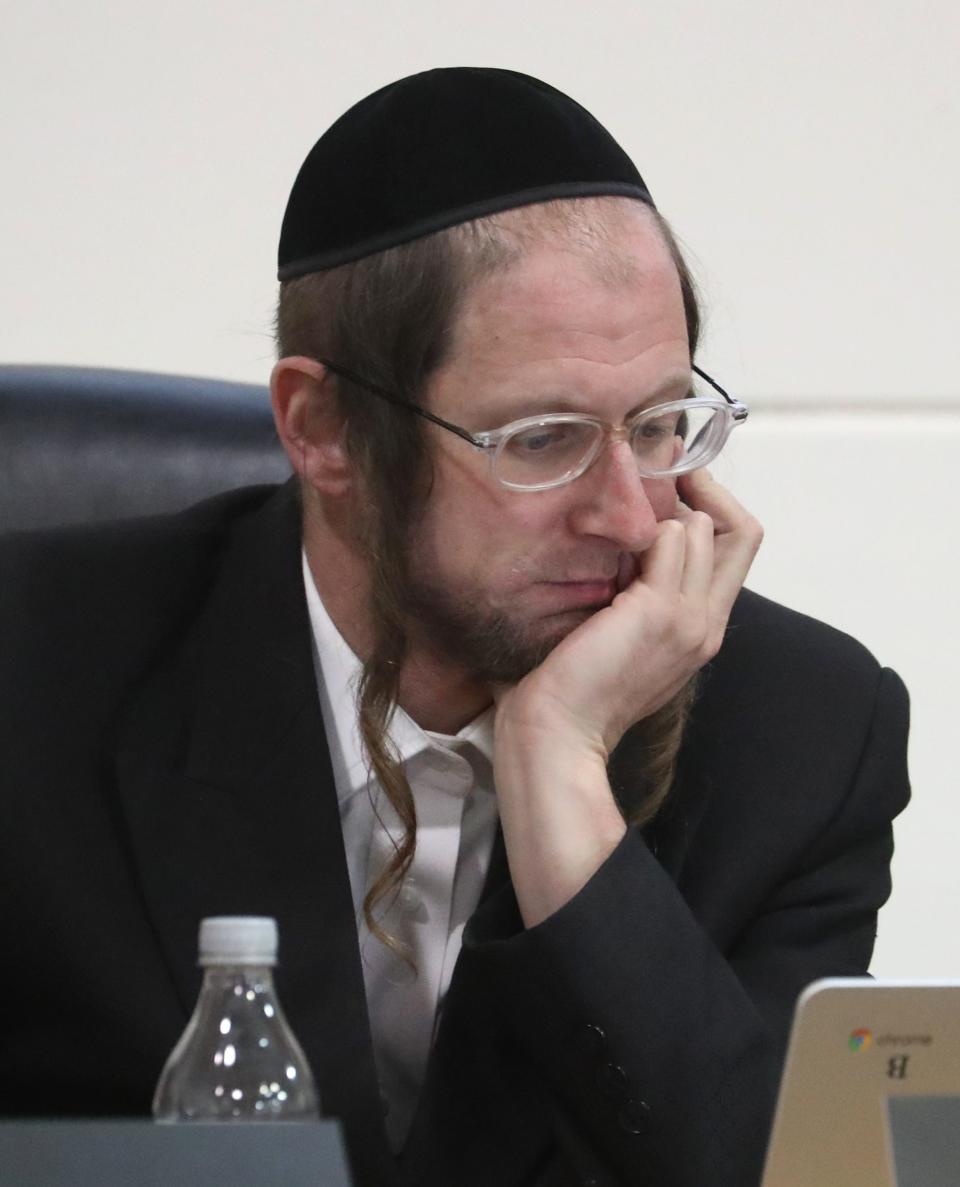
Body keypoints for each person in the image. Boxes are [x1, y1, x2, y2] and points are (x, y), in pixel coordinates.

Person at [0, 68, 909, 1187]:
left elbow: (759, 1170)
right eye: (541, 438)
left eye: (664, 423)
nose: (629, 514)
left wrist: (562, 772)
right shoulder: (34, 670)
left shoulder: (803, 730)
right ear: (323, 428)